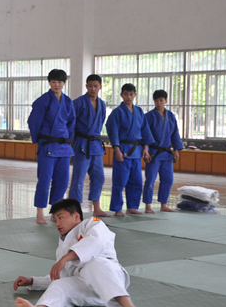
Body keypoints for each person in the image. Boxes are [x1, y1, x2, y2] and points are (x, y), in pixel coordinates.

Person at [13, 198, 143, 307]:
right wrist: (32, 281)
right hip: (90, 291)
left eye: (61, 217)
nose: (57, 223)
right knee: (59, 284)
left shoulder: (92, 224)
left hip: (110, 278)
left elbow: (95, 241)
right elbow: (61, 276)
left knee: (94, 264)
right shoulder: (62, 247)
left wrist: (65, 258)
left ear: (76, 216)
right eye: (55, 219)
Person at [28, 69, 75, 224]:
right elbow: (34, 122)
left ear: (64, 83)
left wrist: (68, 139)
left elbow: (71, 123)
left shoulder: (68, 102)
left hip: (63, 147)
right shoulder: (43, 101)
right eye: (54, 82)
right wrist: (38, 140)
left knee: (62, 180)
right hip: (47, 145)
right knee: (45, 179)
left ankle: (56, 212)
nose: (57, 84)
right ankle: (39, 213)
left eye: (60, 82)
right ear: (49, 82)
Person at [105, 83, 154, 216]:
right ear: (121, 95)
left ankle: (132, 206)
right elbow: (113, 131)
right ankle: (117, 207)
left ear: (135, 95)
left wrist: (145, 148)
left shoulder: (139, 111)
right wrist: (117, 150)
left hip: (137, 151)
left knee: (136, 180)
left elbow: (145, 131)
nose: (128, 97)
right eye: (126, 94)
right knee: (120, 180)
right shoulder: (117, 112)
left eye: (131, 94)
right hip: (123, 150)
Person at [69, 75, 111, 218]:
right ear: (86, 86)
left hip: (95, 145)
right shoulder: (78, 102)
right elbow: (70, 123)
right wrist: (72, 142)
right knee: (78, 179)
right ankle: (74, 211)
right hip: (81, 144)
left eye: (96, 86)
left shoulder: (102, 104)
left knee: (99, 177)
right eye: (90, 85)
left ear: (100, 87)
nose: (93, 88)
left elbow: (101, 123)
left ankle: (97, 208)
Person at [143, 90, 184, 214]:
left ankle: (163, 204)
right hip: (153, 153)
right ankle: (148, 206)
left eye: (161, 100)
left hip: (166, 153)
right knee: (150, 180)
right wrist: (145, 149)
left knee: (168, 180)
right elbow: (144, 133)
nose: (159, 103)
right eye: (156, 100)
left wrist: (176, 149)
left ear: (166, 101)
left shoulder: (171, 116)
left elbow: (175, 134)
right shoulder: (149, 116)